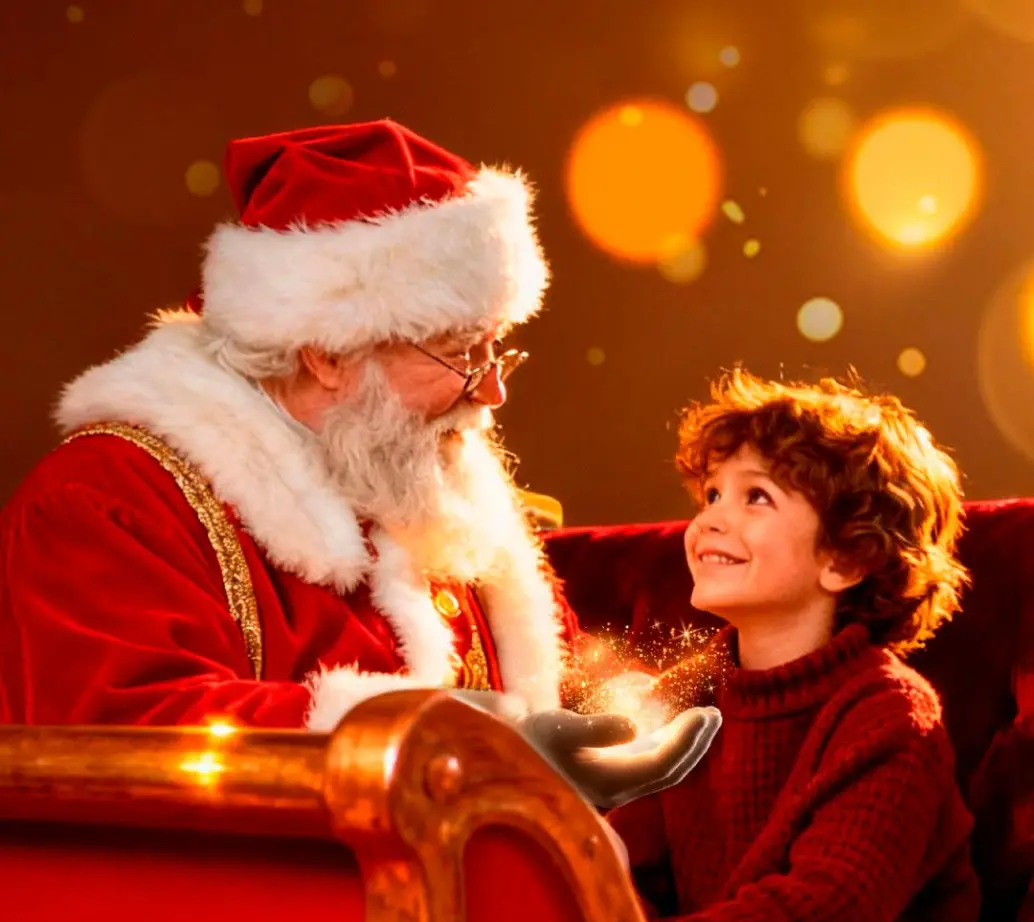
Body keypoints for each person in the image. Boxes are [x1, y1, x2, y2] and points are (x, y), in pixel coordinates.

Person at [0, 120, 719, 809]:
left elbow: (563, 680)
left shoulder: (410, 474)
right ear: (328, 354)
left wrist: (627, 720)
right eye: (462, 353)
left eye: (497, 349)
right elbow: (130, 738)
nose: (492, 390)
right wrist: (458, 744)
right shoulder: (104, 501)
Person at [608, 370, 997, 922]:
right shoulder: (682, 699)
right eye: (711, 494)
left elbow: (831, 909)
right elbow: (625, 871)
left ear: (846, 560)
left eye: (755, 497)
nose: (710, 519)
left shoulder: (889, 712)